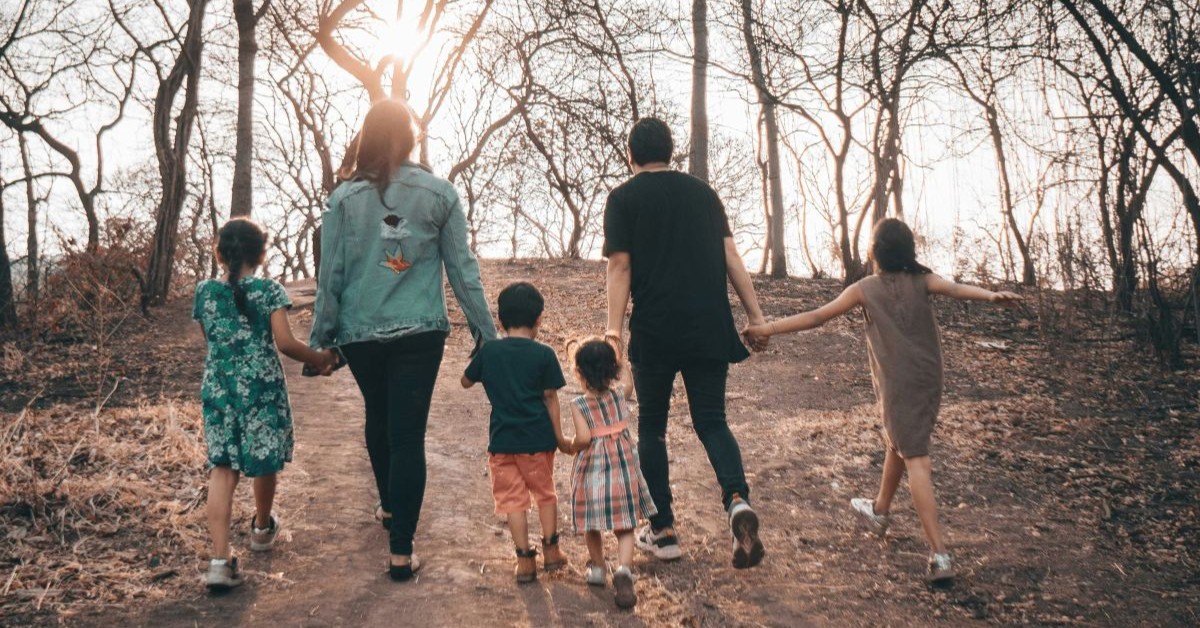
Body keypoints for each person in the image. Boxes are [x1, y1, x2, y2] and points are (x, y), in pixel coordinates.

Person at [744, 218, 1023, 584]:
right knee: (901, 441)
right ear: (908, 250)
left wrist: (767, 328)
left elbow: (817, 317)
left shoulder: (865, 288)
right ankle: (879, 512)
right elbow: (954, 288)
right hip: (928, 378)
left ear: (875, 252)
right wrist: (990, 295)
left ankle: (939, 554)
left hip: (899, 383)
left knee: (916, 456)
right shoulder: (922, 280)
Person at [309, 98, 498, 582]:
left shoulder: (343, 199)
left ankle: (392, 507)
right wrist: (485, 332)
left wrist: (322, 340)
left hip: (361, 333)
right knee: (408, 433)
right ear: (411, 138)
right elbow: (464, 271)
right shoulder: (439, 193)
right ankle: (400, 550)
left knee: (379, 416)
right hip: (420, 332)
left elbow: (331, 273)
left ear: (366, 138)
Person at [603, 117, 768, 569]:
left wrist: (614, 331)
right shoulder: (704, 194)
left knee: (652, 427)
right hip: (709, 325)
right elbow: (731, 257)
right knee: (712, 420)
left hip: (656, 329)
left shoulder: (622, 198)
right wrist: (755, 316)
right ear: (670, 152)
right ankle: (736, 499)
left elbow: (620, 267)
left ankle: (664, 531)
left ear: (630, 155)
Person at [194, 218, 337, 591]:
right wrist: (320, 358)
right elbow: (286, 343)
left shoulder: (205, 292)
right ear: (260, 253)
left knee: (222, 466)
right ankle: (261, 528)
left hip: (219, 386)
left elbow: (212, 337)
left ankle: (219, 562)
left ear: (220, 252)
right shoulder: (269, 291)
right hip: (260, 387)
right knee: (264, 458)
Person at [461, 282, 569, 584]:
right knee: (545, 494)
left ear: (500, 321)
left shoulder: (490, 352)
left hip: (502, 443)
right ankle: (552, 553)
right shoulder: (544, 354)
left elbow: (465, 382)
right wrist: (560, 437)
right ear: (538, 320)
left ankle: (524, 562)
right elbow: (550, 397)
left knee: (513, 501)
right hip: (537, 442)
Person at [562, 337, 657, 610]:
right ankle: (624, 569)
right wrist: (624, 362)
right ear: (612, 371)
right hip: (622, 469)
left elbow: (582, 438)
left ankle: (598, 568)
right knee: (625, 524)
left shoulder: (579, 405)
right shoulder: (619, 395)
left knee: (591, 522)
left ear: (579, 374)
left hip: (592, 470)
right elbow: (628, 384)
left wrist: (569, 446)